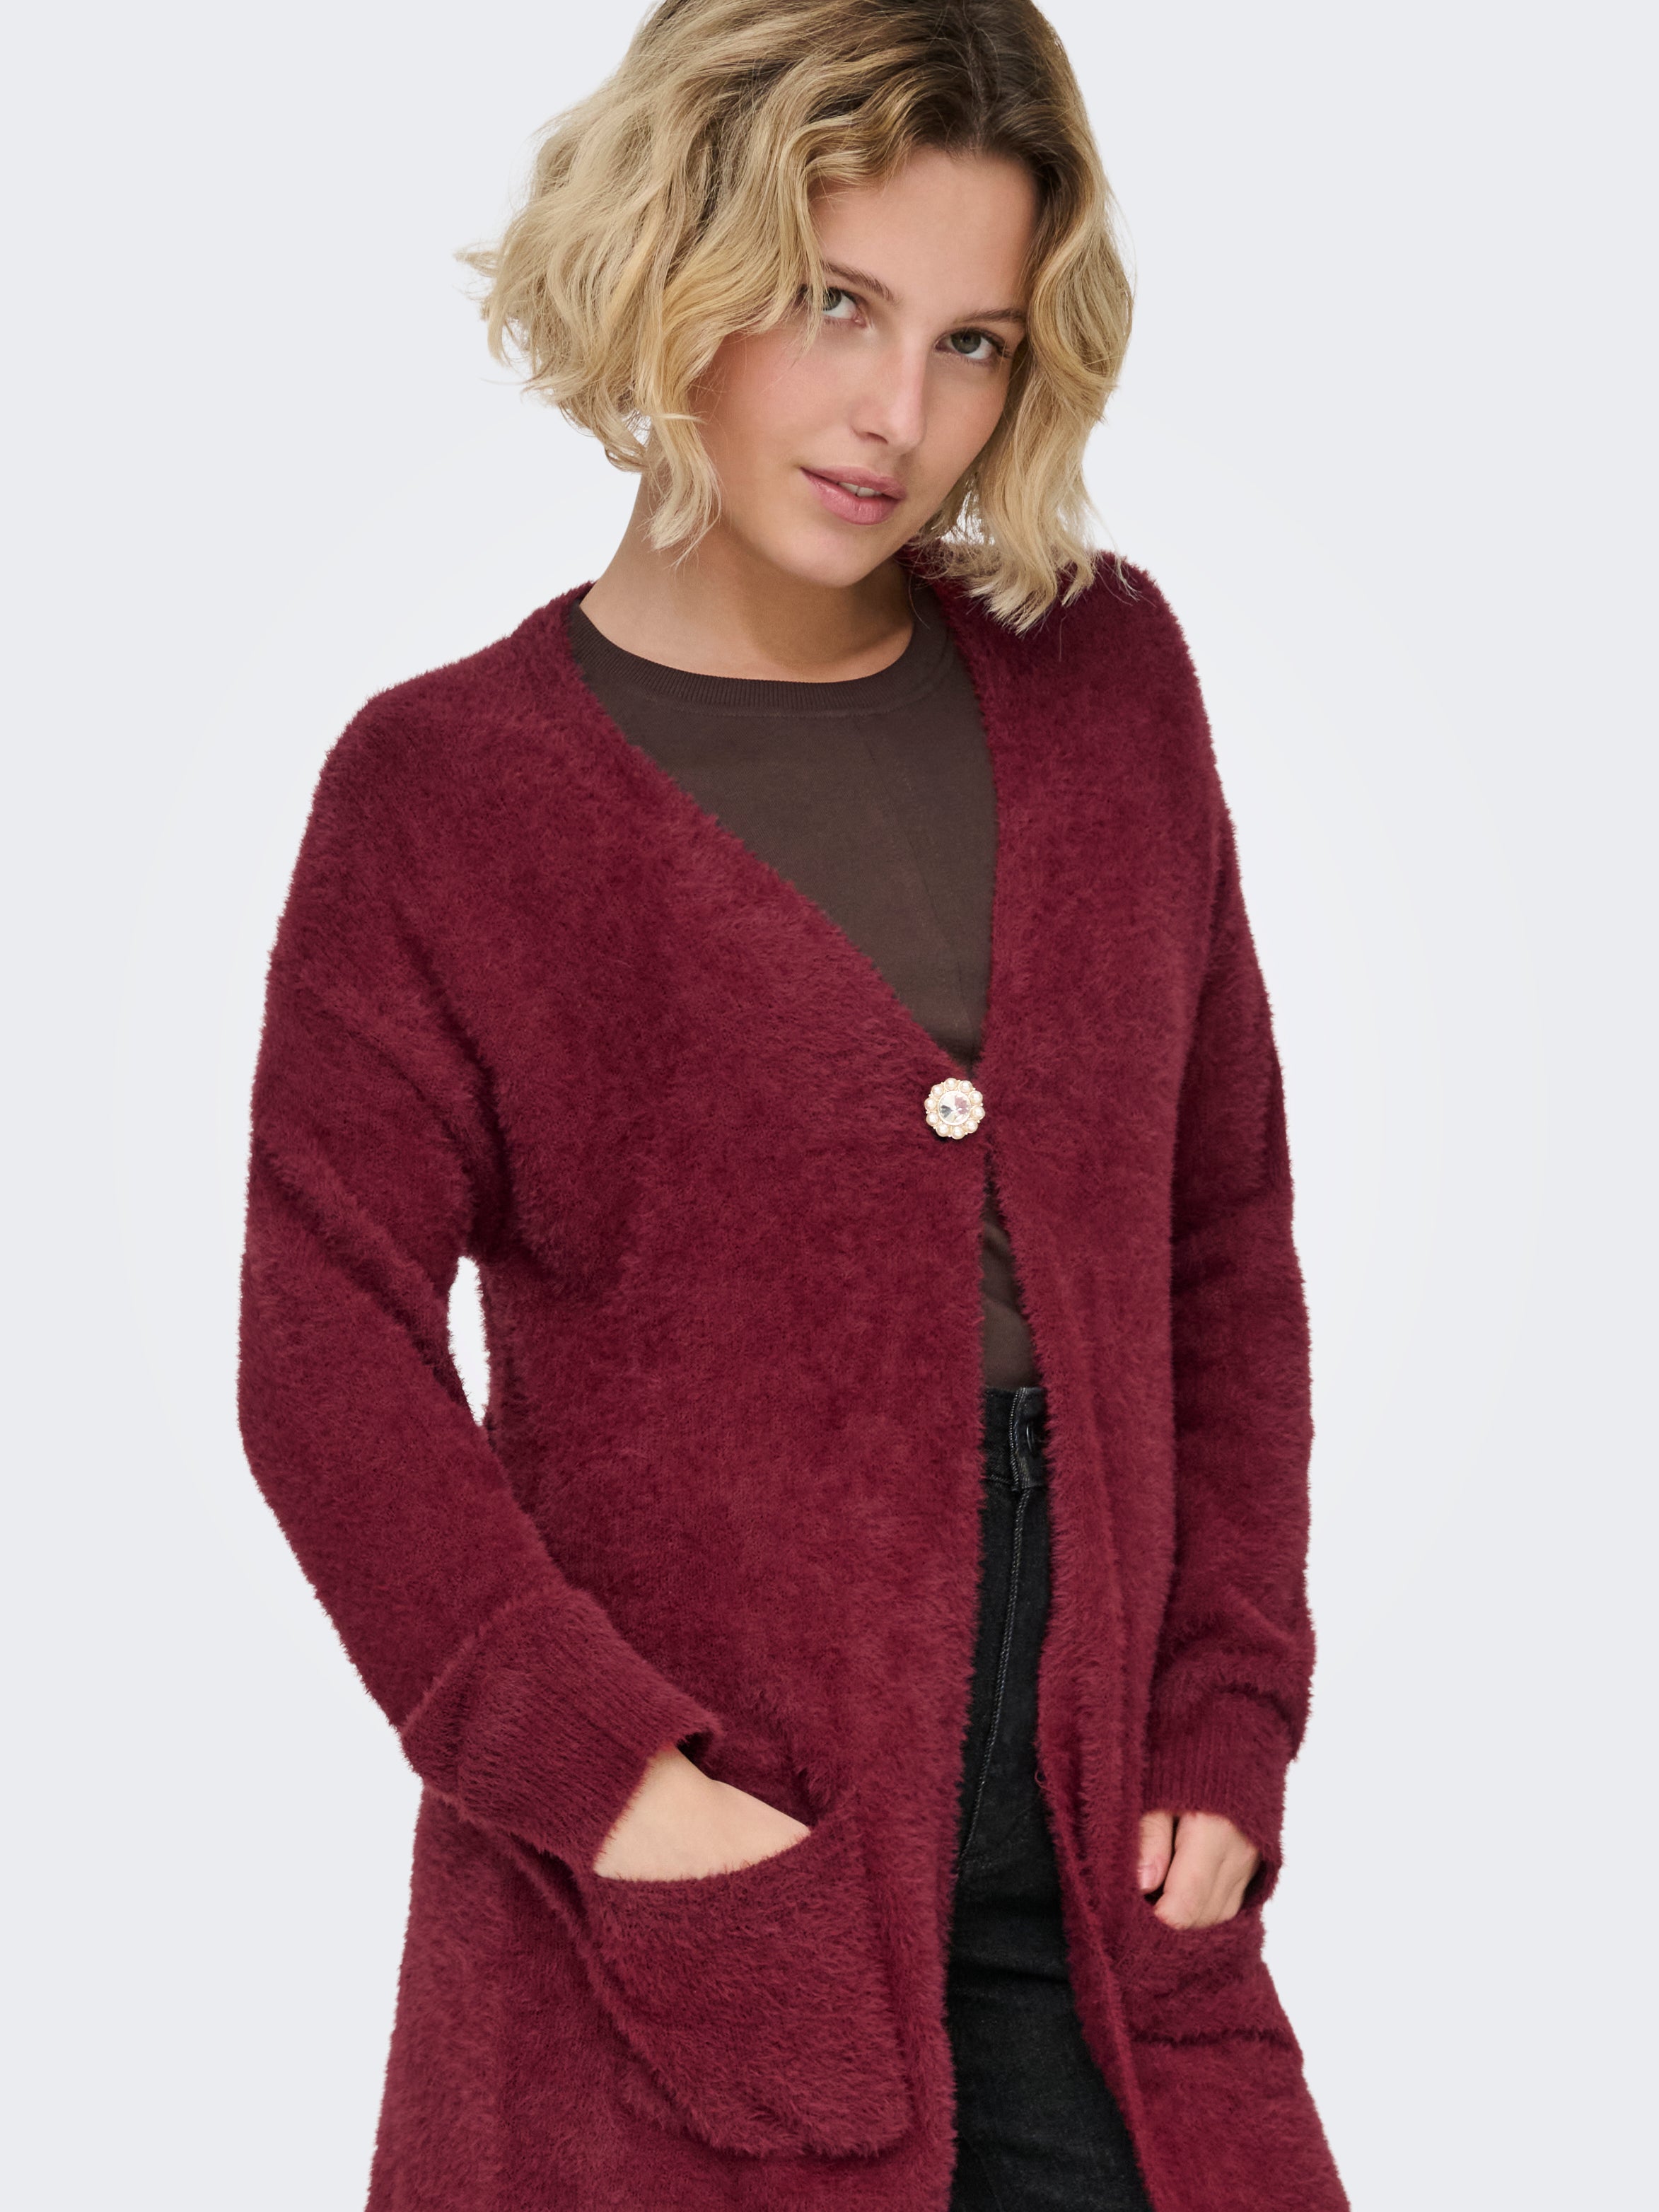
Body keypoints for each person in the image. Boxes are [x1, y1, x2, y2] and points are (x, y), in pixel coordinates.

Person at [236, 2, 1349, 2206]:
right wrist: (618, 1791)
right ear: (678, 257)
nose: (894, 416)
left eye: (970, 343)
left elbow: (1220, 1228)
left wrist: (1229, 1706)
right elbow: (322, 1351)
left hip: (1108, 1884)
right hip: (701, 1895)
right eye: (834, 304)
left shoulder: (1109, 679)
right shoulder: (443, 794)